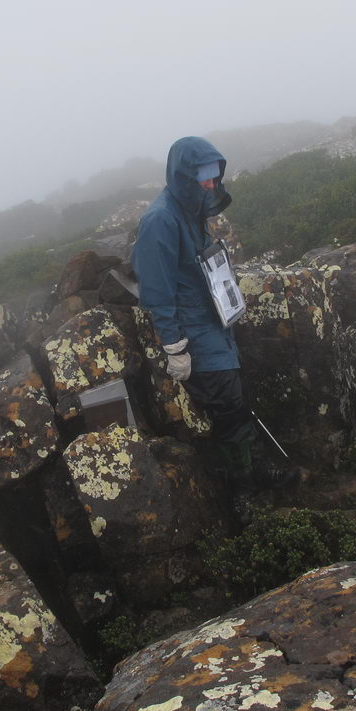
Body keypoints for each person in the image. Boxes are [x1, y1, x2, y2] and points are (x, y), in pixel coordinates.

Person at [131, 136, 297, 522]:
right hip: (196, 333)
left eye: (214, 176)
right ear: (183, 176)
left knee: (236, 402)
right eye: (203, 177)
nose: (210, 184)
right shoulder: (161, 220)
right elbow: (158, 293)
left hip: (216, 323)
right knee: (228, 408)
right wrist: (175, 347)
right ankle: (242, 489)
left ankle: (255, 470)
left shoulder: (191, 209)